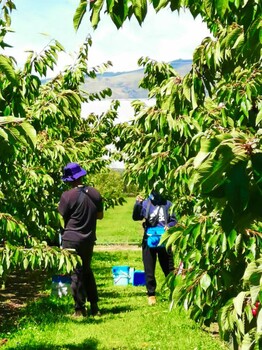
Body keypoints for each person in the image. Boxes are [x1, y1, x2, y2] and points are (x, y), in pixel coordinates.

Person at [58, 162, 104, 317]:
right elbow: (100, 216)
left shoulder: (67, 196)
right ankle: (95, 306)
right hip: (89, 238)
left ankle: (79, 309)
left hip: (71, 238)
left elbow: (60, 218)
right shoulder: (95, 193)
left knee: (75, 273)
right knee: (87, 270)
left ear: (70, 180)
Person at [132, 190, 177, 306]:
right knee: (149, 269)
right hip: (149, 239)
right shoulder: (146, 203)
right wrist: (137, 204)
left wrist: (169, 226)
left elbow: (174, 220)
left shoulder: (168, 204)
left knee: (169, 268)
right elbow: (136, 217)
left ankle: (175, 292)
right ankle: (151, 294)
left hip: (164, 239)